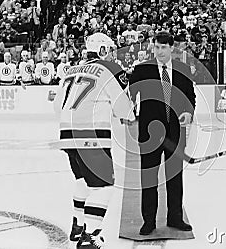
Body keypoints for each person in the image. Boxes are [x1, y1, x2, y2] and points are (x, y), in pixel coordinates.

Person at [52, 33, 135, 249]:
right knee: (104, 186)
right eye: (109, 49)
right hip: (92, 134)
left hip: (67, 133)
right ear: (102, 51)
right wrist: (130, 116)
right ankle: (90, 237)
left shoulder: (70, 71)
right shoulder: (110, 69)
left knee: (82, 180)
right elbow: (122, 104)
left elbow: (57, 105)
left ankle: (78, 226)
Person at [129, 31, 196, 236]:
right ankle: (148, 220)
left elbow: (190, 97)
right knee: (149, 177)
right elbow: (130, 96)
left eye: (164, 47)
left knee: (174, 176)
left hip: (175, 133)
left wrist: (188, 112)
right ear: (153, 47)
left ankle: (175, 217)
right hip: (149, 134)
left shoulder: (183, 70)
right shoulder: (141, 70)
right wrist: (127, 112)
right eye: (157, 47)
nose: (160, 51)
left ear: (171, 48)